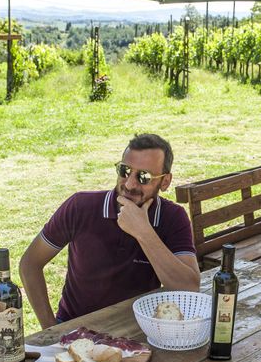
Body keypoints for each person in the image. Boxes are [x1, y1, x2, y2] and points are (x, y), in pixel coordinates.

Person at [20, 133, 200, 327]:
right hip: (75, 327)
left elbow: (189, 288)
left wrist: (143, 232)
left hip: (137, 329)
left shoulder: (172, 217)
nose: (130, 184)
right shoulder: (80, 206)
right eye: (124, 170)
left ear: (165, 182)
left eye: (143, 177)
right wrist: (50, 328)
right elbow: (30, 264)